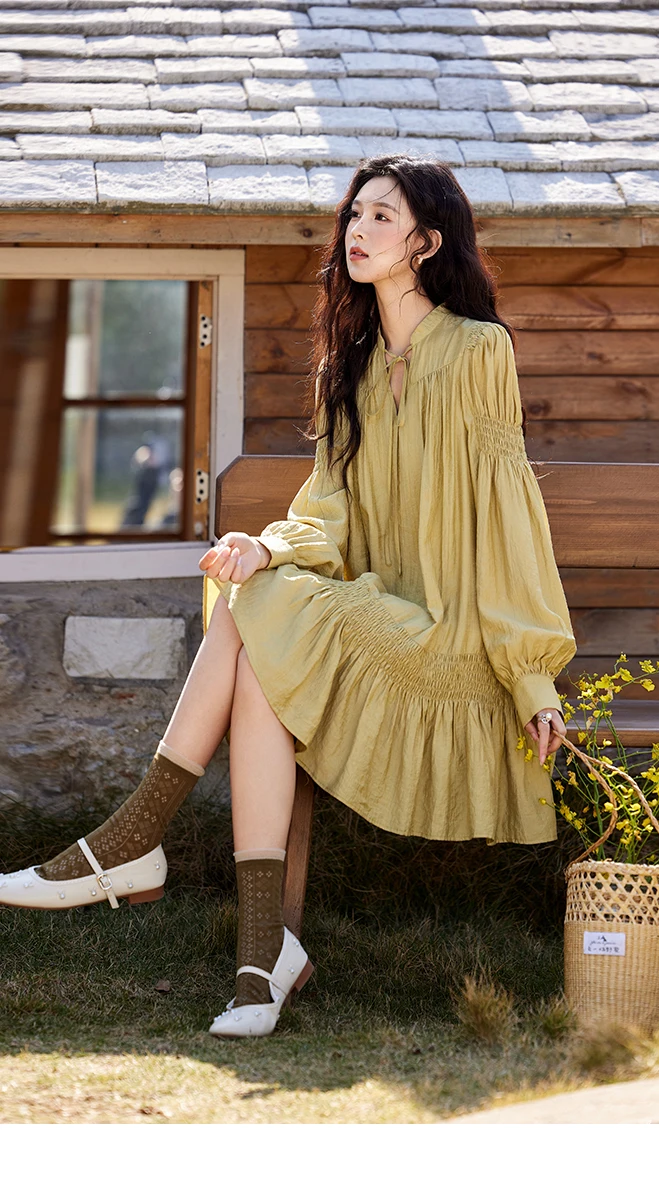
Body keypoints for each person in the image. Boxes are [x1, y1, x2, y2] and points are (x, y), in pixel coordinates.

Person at [0, 154, 576, 1039]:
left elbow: (507, 520)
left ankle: (135, 840)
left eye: (382, 217)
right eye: (355, 213)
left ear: (426, 244)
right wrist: (263, 545)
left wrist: (531, 674)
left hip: (451, 634)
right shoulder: (348, 366)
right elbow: (327, 513)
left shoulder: (477, 350)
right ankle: (260, 957)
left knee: (255, 615)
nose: (358, 230)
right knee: (256, 634)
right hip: (377, 613)